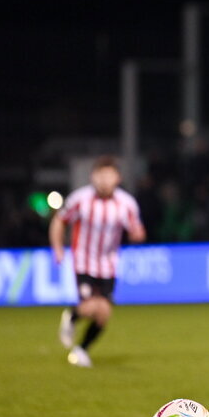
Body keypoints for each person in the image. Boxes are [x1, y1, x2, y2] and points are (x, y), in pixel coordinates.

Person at [50, 156, 145, 367]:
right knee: (92, 306)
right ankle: (73, 316)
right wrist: (57, 248)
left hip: (109, 266)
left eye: (109, 175)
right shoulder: (80, 199)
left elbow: (137, 230)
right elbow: (59, 220)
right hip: (84, 263)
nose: (104, 180)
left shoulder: (126, 203)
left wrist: (138, 234)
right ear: (93, 177)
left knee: (104, 313)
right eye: (100, 175)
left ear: (118, 178)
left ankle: (81, 350)